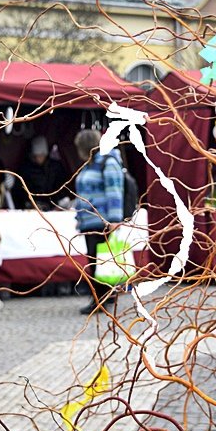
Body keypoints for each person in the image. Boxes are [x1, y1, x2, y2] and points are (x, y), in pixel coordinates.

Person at [73, 129, 124, 315]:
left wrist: (114, 220)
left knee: (99, 262)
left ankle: (100, 299)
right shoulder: (91, 164)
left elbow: (114, 191)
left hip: (101, 220)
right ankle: (103, 297)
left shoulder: (108, 163)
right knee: (96, 260)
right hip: (89, 221)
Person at [14, 135, 70, 211]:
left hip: (53, 205)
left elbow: (62, 187)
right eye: (36, 155)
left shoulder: (55, 168)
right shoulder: (25, 169)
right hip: (32, 206)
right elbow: (20, 192)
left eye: (42, 155)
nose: (39, 158)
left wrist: (59, 203)